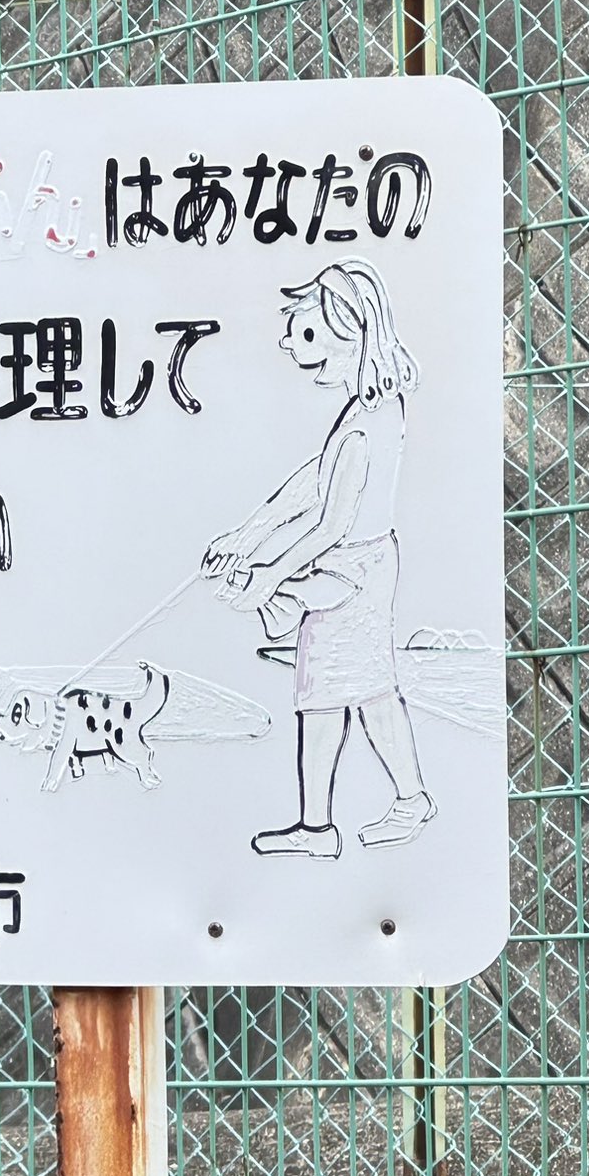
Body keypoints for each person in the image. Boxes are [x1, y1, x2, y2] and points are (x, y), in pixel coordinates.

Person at [202, 258, 435, 859]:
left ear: (351, 333)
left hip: (351, 567)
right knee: (352, 693)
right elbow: (315, 481)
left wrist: (268, 573)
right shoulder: (370, 409)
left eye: (306, 333)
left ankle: (340, 821)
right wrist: (248, 537)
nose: (291, 345)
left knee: (337, 694)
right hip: (361, 565)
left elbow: (330, 521)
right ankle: (352, 816)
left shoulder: (364, 423)